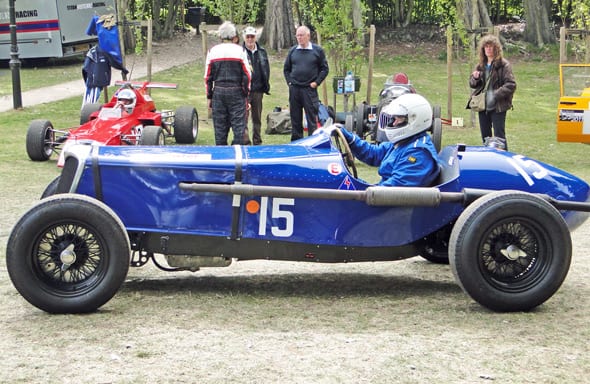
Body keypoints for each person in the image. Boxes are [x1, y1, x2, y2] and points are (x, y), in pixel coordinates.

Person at [339, 93, 440, 187]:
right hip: (385, 197)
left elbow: (394, 190)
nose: (394, 123)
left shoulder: (418, 153)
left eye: (399, 119)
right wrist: (350, 138)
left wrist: (363, 191)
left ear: (414, 120)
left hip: (398, 204)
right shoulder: (404, 142)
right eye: (394, 118)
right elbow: (374, 154)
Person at [204, 21, 251, 145]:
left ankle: (221, 159)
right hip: (236, 92)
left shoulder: (212, 51)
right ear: (233, 36)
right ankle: (237, 157)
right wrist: (246, 95)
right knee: (239, 129)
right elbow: (247, 76)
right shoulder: (240, 51)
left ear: (220, 36)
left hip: (218, 92)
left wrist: (209, 96)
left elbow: (208, 77)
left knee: (220, 131)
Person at [468, 34, 516, 149]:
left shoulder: (504, 65)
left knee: (499, 137)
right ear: (483, 49)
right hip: (483, 105)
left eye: (491, 46)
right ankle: (488, 160)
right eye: (486, 47)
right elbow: (472, 84)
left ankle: (504, 161)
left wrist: (495, 94)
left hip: (498, 105)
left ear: (496, 48)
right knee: (485, 136)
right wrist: (475, 78)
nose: (489, 49)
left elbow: (511, 84)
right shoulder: (480, 66)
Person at [283, 25, 329, 141]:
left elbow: (324, 69)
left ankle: (312, 142)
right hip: (295, 90)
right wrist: (289, 82)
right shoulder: (293, 51)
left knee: (311, 118)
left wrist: (316, 83)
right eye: (297, 35)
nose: (299, 38)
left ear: (308, 36)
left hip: (309, 89)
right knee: (295, 118)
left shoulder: (317, 51)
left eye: (301, 35)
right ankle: (297, 143)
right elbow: (286, 69)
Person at [242, 26, 270, 145]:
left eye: (252, 36)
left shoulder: (262, 52)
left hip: (258, 90)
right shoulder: (240, 52)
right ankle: (245, 142)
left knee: (257, 118)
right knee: (243, 118)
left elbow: (266, 69)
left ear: (255, 37)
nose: (250, 39)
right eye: (247, 37)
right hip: (244, 91)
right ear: (244, 38)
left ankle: (257, 141)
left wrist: (265, 85)